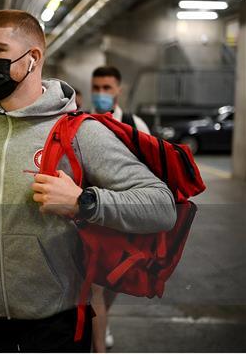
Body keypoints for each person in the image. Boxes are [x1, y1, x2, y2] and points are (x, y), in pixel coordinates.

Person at [0, 10, 176, 352]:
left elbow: (161, 205)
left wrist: (85, 202)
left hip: (58, 326)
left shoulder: (80, 132)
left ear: (33, 58)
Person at [90, 65, 151, 352]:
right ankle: (99, 345)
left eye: (107, 88)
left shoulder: (135, 125)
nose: (101, 94)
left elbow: (151, 173)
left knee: (116, 281)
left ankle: (104, 319)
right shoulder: (84, 122)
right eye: (97, 88)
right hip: (94, 216)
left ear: (118, 90)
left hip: (125, 217)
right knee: (96, 286)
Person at [91, 65, 151, 134]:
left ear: (119, 90)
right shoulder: (81, 122)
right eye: (96, 87)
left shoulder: (136, 126)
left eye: (106, 88)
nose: (100, 93)